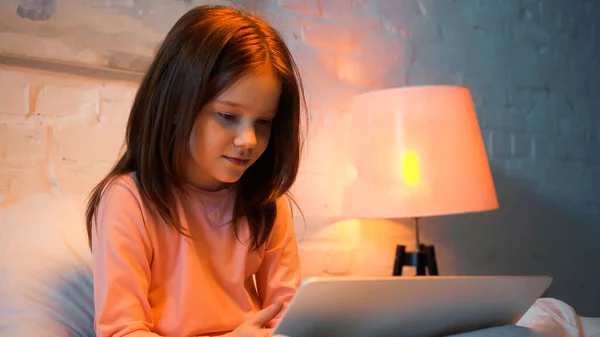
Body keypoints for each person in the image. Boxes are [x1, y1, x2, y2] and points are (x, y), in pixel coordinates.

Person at [85, 4, 305, 336]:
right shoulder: (128, 200)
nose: (248, 140)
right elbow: (121, 332)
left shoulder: (267, 202)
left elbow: (289, 319)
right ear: (176, 107)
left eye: (263, 122)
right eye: (227, 116)